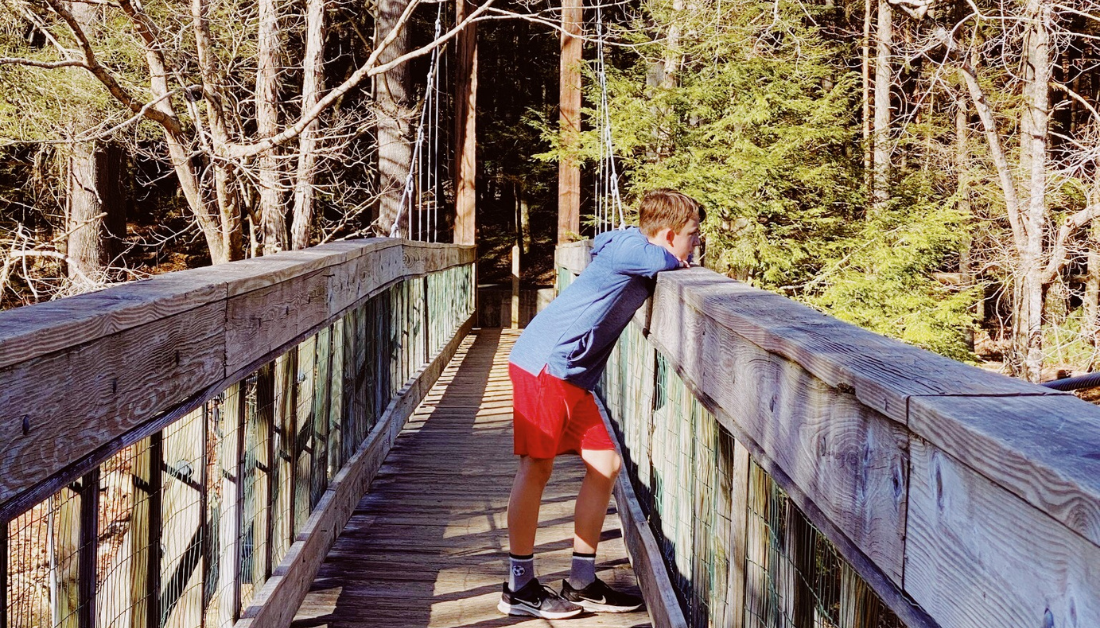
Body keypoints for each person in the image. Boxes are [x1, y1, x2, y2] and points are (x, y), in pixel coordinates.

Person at [498, 189, 704, 619]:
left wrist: (676, 255)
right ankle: (517, 586)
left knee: (605, 464)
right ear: (667, 234)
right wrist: (677, 258)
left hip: (571, 375)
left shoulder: (631, 245)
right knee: (536, 466)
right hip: (546, 365)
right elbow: (656, 258)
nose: (696, 244)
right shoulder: (634, 249)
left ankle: (581, 581)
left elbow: (643, 252)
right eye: (692, 235)